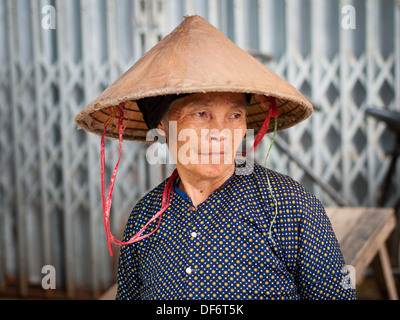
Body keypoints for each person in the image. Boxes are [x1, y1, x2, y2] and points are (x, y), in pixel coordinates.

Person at [74, 15, 356, 300]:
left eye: (235, 115)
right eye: (201, 114)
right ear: (162, 124)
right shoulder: (145, 219)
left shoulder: (290, 207)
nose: (220, 133)